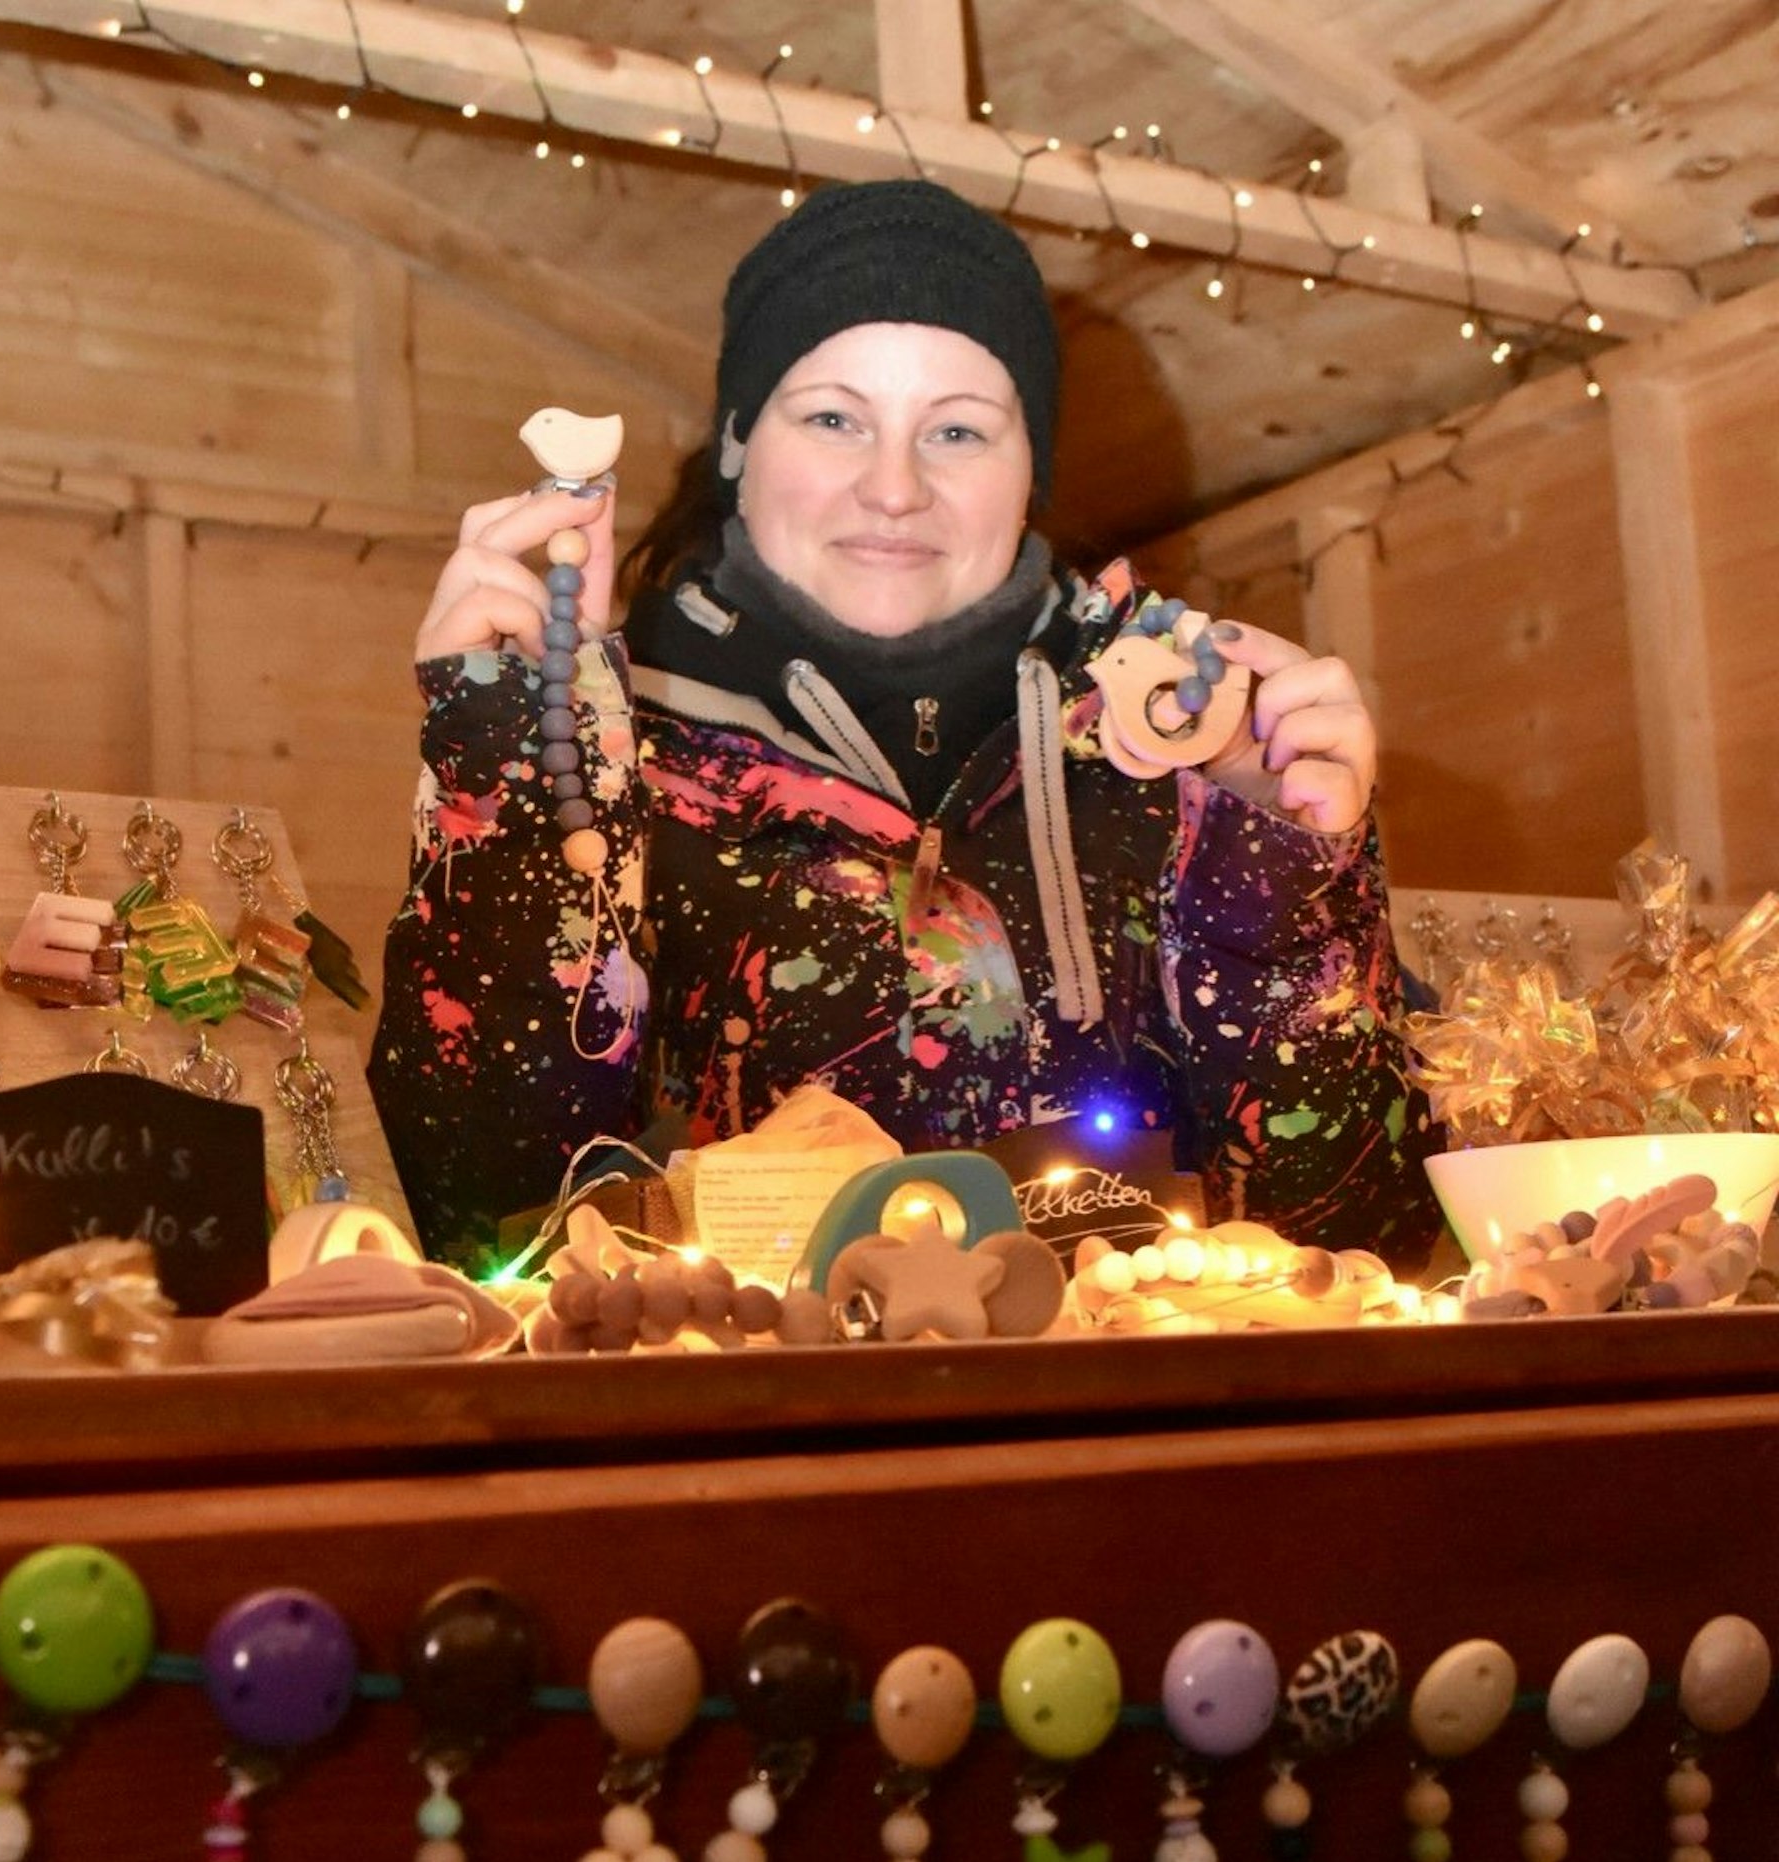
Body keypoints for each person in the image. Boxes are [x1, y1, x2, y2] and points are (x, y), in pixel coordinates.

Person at [369, 178, 1439, 1269]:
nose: (893, 487)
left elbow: (1360, 1254)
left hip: (1130, 1425)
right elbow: (484, 1236)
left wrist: (1276, 880)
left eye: (959, 431)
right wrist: (506, 782)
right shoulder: (603, 762)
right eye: (833, 416)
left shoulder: (1180, 761)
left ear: (1030, 472)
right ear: (739, 442)